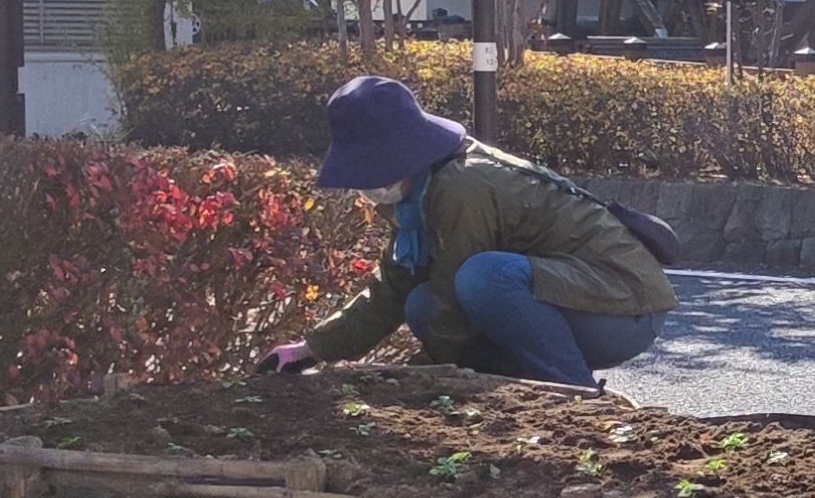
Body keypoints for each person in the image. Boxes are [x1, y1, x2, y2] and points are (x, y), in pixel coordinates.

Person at [265, 75, 675, 388]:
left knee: (483, 277)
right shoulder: (417, 196)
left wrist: (419, 375)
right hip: (568, 300)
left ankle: (572, 394)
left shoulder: (463, 186)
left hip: (623, 311)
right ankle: (502, 390)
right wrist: (312, 348)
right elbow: (392, 288)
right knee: (419, 302)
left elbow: (455, 295)